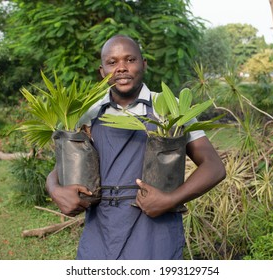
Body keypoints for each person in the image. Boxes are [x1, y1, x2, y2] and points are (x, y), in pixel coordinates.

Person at [46, 35, 226, 260]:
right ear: (102, 71)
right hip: (101, 230)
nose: (121, 68)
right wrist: (54, 189)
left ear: (144, 64)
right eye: (112, 63)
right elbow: (63, 166)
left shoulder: (171, 109)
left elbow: (214, 167)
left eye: (130, 59)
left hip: (155, 229)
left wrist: (171, 199)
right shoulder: (88, 114)